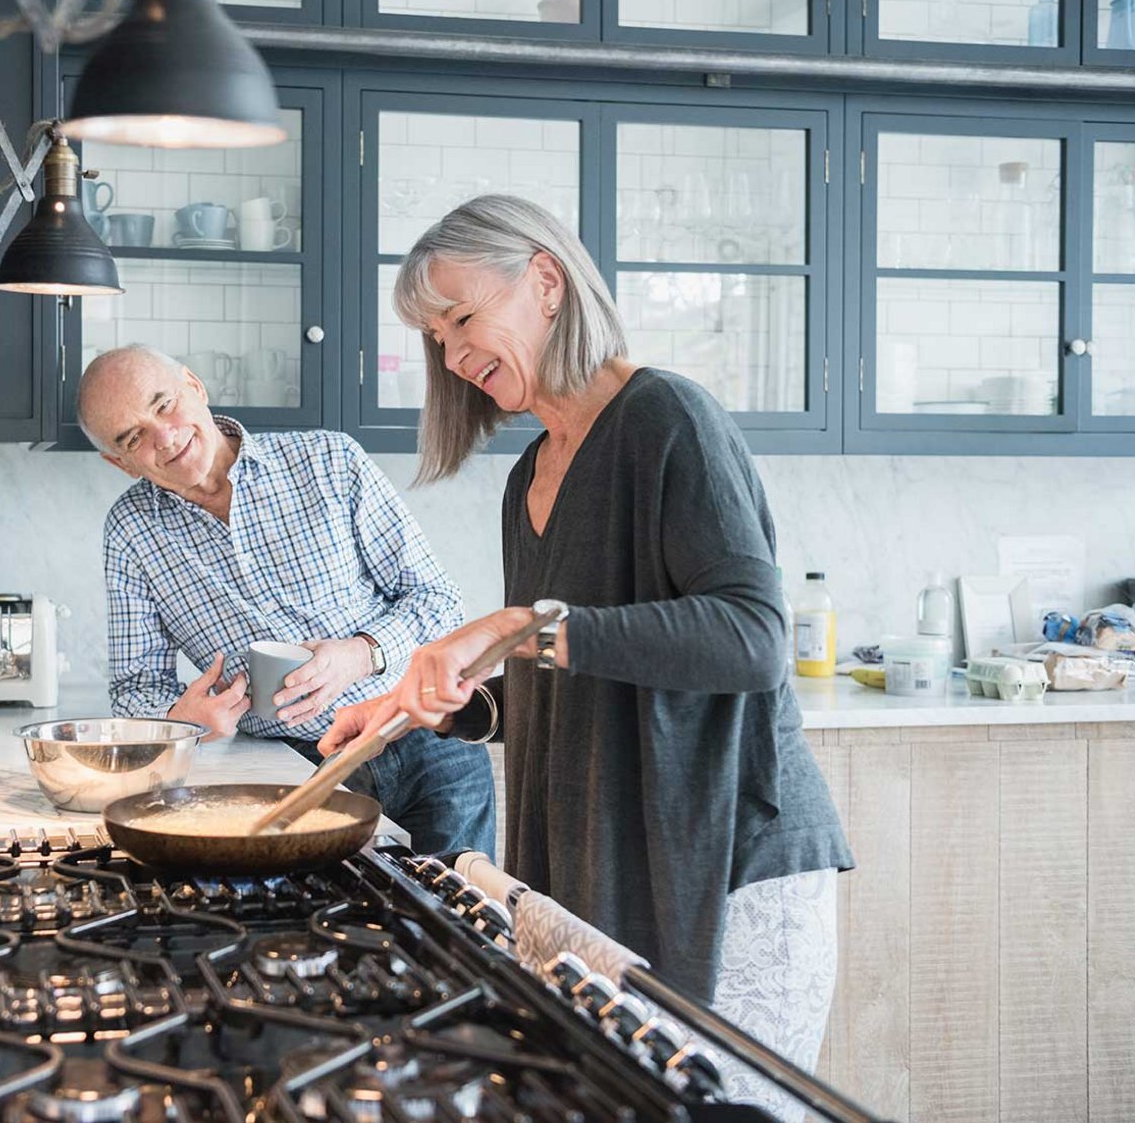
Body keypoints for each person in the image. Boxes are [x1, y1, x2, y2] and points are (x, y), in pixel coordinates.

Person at [318, 195, 853, 1117]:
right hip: (612, 853)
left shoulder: (667, 419)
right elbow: (566, 675)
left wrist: (524, 625)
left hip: (728, 857)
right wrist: (448, 704)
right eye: (436, 338)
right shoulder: (531, 474)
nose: (452, 356)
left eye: (461, 320)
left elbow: (754, 636)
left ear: (546, 281)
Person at [80, 343, 496, 856]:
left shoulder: (329, 460)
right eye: (133, 437)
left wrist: (360, 653)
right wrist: (181, 720)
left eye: (164, 404)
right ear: (117, 462)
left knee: (460, 918)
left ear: (194, 385)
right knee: (338, 924)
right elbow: (134, 687)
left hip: (429, 736)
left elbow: (438, 600)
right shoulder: (131, 531)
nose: (164, 436)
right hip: (301, 766)